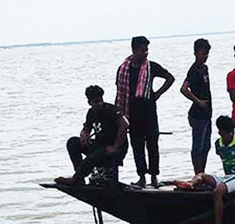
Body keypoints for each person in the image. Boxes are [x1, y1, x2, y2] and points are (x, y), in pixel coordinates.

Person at [115, 35, 175, 188]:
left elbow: (170, 78)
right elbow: (119, 91)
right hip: (132, 113)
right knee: (137, 146)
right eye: (142, 50)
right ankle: (141, 178)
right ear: (134, 50)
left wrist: (158, 93)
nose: (145, 53)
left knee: (152, 145)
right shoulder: (123, 69)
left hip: (149, 112)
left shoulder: (151, 67)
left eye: (147, 50)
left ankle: (154, 178)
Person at [55, 85, 129, 186]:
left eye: (99, 100)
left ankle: (75, 179)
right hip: (100, 146)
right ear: (89, 102)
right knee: (73, 142)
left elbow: (124, 125)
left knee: (92, 158)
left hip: (114, 147)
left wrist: (116, 146)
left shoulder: (111, 110)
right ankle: (80, 179)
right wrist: (84, 136)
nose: (98, 103)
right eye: (95, 101)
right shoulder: (91, 113)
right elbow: (86, 129)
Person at [180, 38, 213, 175]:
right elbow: (184, 89)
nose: (205, 56)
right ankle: (198, 175)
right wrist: (197, 101)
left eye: (207, 53)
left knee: (206, 146)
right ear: (196, 53)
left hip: (207, 114)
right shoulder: (194, 70)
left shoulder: (204, 68)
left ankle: (202, 173)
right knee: (197, 147)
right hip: (197, 115)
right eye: (202, 53)